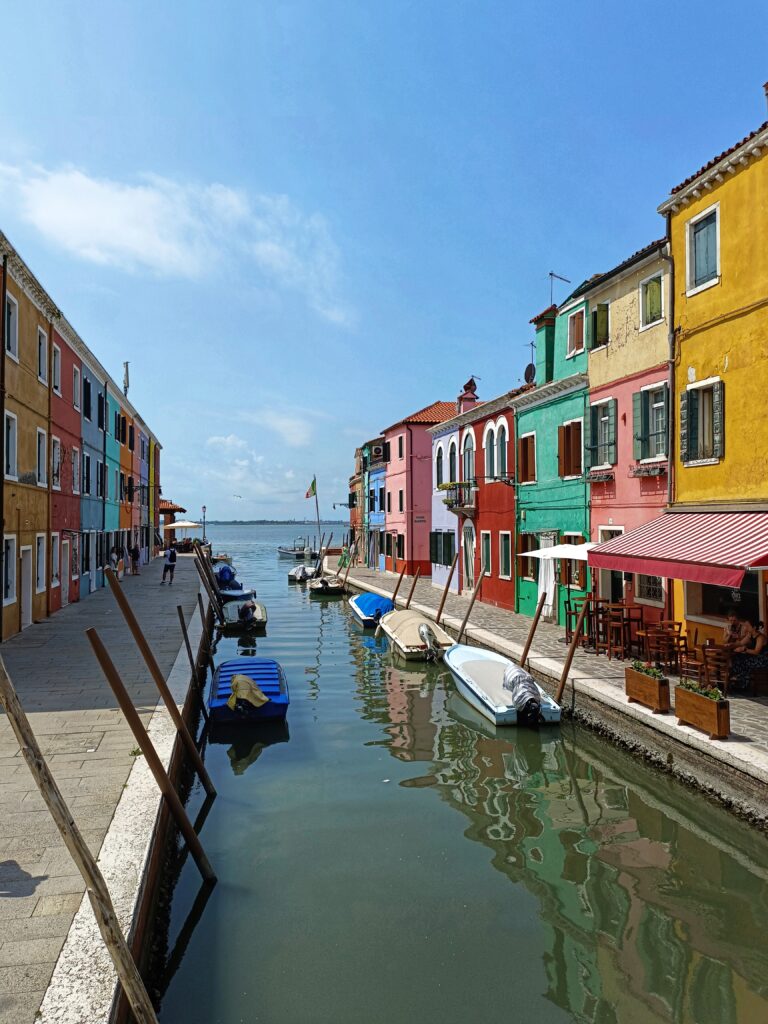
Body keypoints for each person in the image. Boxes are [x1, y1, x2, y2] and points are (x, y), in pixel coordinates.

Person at [730, 618, 768, 692]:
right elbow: (741, 643)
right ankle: (737, 680)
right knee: (737, 657)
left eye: (747, 626)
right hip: (753, 658)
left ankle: (742, 683)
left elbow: (756, 652)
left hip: (762, 659)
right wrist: (731, 645)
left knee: (745, 661)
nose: (746, 627)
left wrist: (744, 649)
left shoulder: (760, 637)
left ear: (753, 627)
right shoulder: (750, 635)